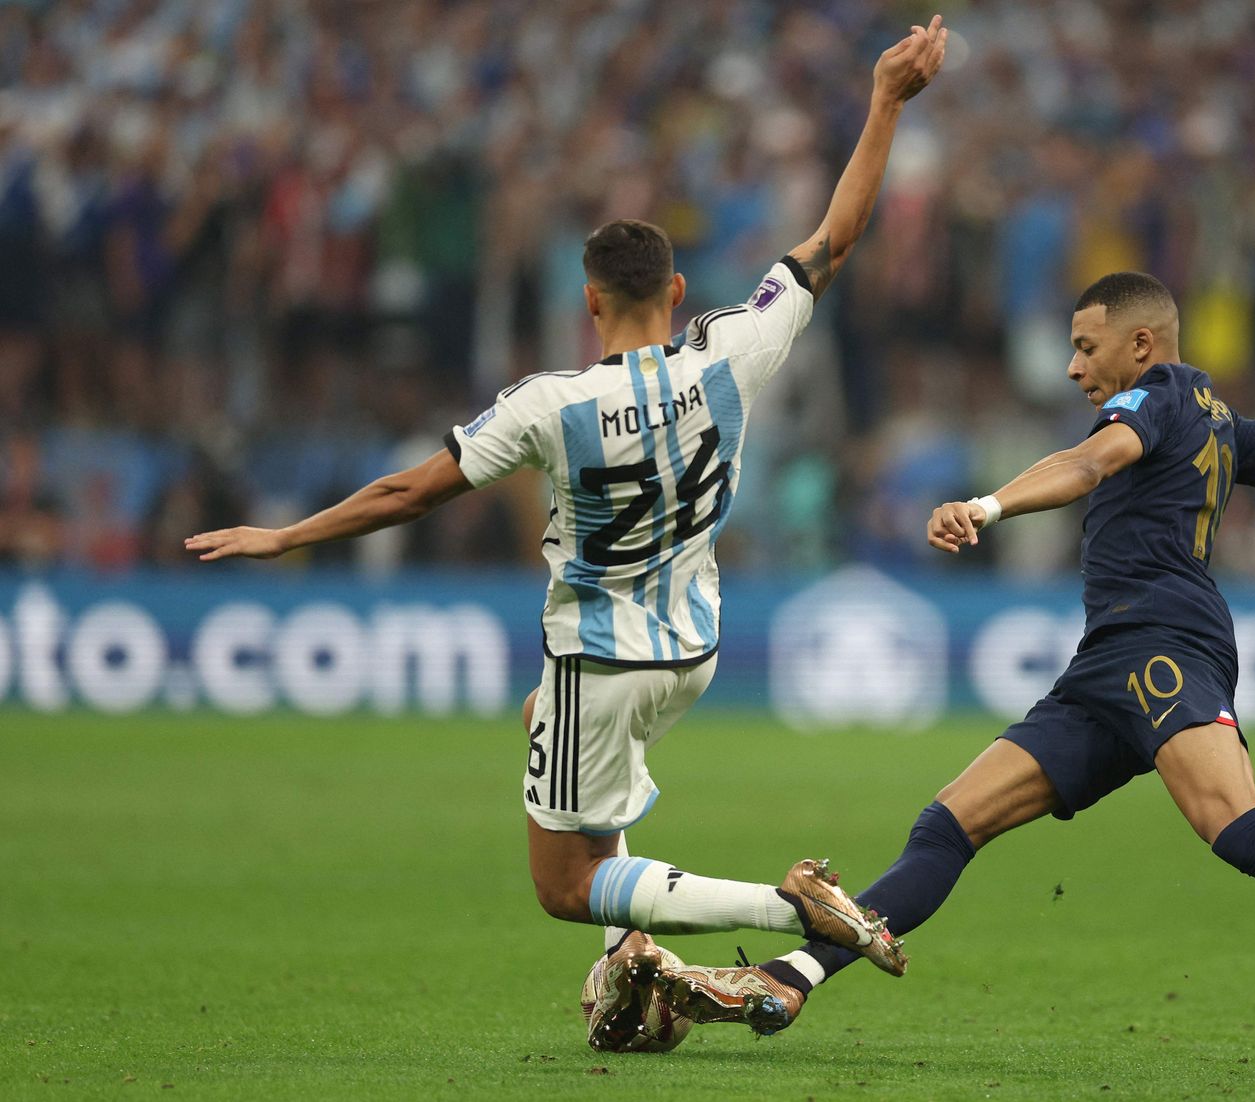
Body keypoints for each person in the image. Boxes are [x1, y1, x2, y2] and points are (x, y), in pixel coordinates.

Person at [184, 14, 951, 1052]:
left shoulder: (545, 404)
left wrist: (286, 535)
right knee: (594, 811)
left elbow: (412, 492)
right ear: (674, 292)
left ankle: (792, 906)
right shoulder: (732, 349)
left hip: (598, 651)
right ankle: (631, 971)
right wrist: (885, 101)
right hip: (694, 646)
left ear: (589, 302)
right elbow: (834, 239)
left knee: (563, 882)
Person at [658, 271, 1255, 1075]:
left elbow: (1085, 466)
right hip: (1106, 663)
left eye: (1086, 346)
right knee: (949, 825)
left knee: (1238, 827)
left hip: (1164, 645)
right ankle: (792, 976)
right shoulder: (1216, 421)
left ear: (1141, 345)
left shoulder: (1155, 401)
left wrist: (986, 504)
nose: (1074, 368)